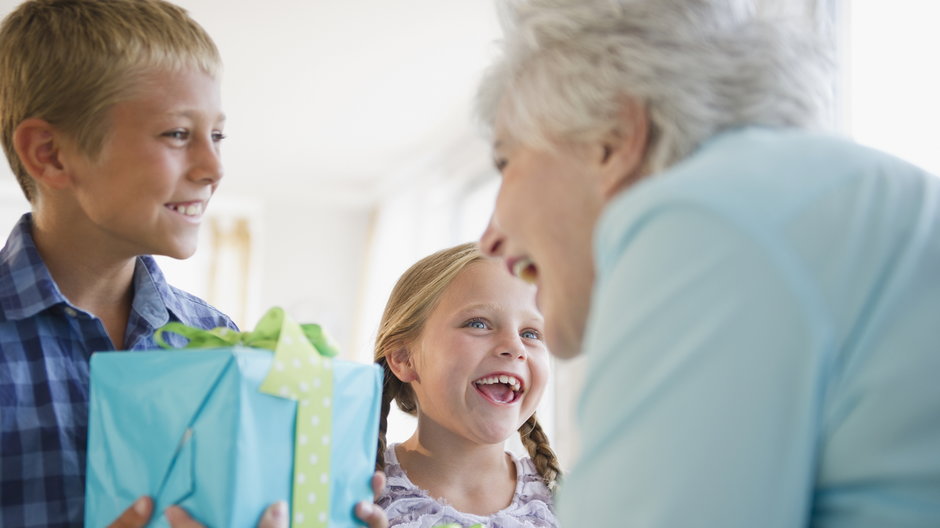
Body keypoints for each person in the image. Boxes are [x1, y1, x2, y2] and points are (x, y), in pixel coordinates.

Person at [474, 0, 940, 527]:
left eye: (506, 161)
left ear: (613, 138)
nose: (490, 237)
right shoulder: (808, 201)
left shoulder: (702, 214)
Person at [371, 242, 559, 528]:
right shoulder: (350, 495)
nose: (515, 346)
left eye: (531, 332)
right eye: (478, 324)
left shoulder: (577, 504)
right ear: (403, 358)